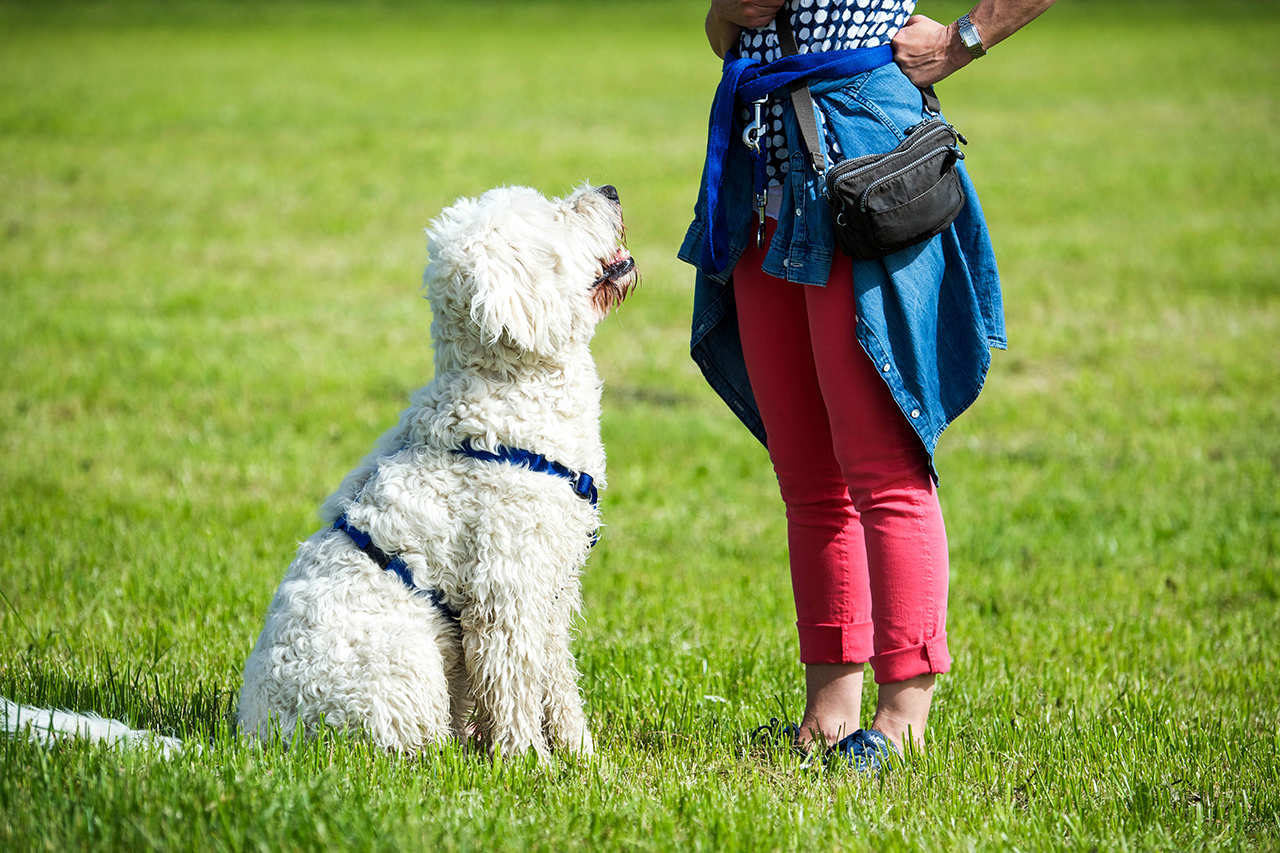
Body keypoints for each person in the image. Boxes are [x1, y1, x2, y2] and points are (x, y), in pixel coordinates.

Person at [679, 0, 1056, 769]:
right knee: (808, 476)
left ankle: (903, 716)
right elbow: (724, 32)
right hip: (764, 174)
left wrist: (965, 40)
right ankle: (828, 713)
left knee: (881, 463)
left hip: (860, 167)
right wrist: (730, 10)